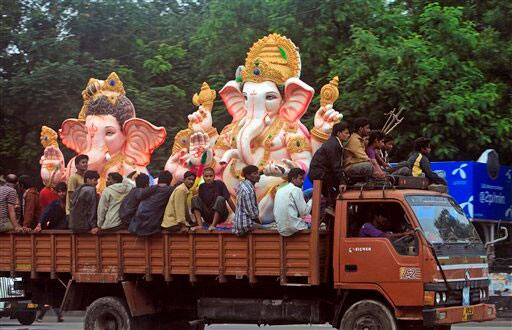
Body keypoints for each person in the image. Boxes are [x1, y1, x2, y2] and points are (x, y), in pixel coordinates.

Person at [309, 122, 350, 203]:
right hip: (320, 174)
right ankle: (333, 208)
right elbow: (336, 166)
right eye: (346, 133)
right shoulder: (334, 145)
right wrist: (342, 181)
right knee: (338, 193)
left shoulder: (334, 142)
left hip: (322, 173)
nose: (348, 135)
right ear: (339, 133)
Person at [128, 171, 174, 236]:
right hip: (150, 227)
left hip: (136, 224)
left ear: (158, 179)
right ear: (170, 181)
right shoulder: (170, 190)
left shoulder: (150, 188)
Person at [274, 168, 312, 236]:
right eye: (301, 178)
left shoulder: (279, 190)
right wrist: (313, 199)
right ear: (293, 179)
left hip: (281, 229)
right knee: (317, 223)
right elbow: (304, 213)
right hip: (295, 227)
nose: (303, 181)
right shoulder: (296, 190)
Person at [233, 165, 260, 236]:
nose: (258, 175)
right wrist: (259, 222)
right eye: (255, 173)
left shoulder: (242, 184)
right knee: (271, 227)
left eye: (258, 173)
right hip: (246, 225)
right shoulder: (248, 190)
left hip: (240, 223)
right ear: (247, 176)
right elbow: (251, 212)